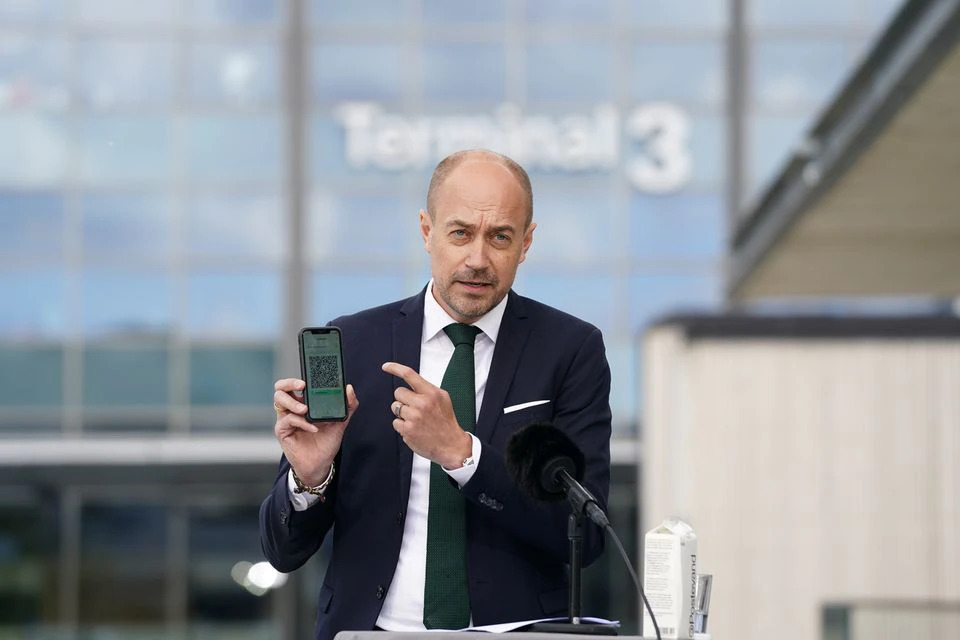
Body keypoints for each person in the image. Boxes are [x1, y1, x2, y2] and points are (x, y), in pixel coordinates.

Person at [260, 149, 612, 640]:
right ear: (427, 231)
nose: (478, 259)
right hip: (370, 633)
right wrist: (310, 477)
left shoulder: (571, 350)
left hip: (513, 632)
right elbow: (283, 552)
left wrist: (462, 454)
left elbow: (587, 535)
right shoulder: (355, 344)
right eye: (461, 232)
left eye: (500, 237)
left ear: (527, 243)